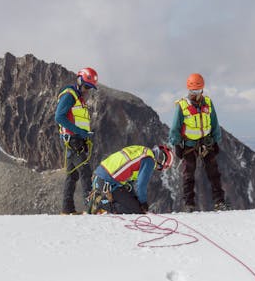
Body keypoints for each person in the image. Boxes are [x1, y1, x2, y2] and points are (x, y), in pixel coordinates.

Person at [168, 73, 227, 212]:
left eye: (198, 91)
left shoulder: (208, 103)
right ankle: (189, 205)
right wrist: (177, 144)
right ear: (189, 90)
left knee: (214, 173)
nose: (195, 94)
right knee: (188, 175)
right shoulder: (182, 106)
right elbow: (175, 127)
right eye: (193, 91)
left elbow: (214, 122)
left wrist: (216, 140)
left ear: (202, 89)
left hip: (207, 143)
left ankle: (220, 202)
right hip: (189, 145)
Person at [55, 67, 98, 215]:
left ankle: (67, 209)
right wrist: (79, 132)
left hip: (76, 140)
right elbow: (59, 117)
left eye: (90, 88)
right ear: (79, 81)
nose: (88, 90)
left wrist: (84, 136)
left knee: (72, 175)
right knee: (85, 171)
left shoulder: (79, 99)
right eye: (86, 86)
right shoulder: (70, 95)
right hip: (71, 140)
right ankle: (92, 207)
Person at [88, 144, 174, 214]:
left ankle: (103, 200)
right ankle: (102, 203)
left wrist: (136, 199)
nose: (159, 160)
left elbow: (129, 178)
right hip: (108, 182)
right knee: (136, 211)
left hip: (101, 176)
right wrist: (143, 203)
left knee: (134, 203)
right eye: (161, 158)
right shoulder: (149, 160)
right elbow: (141, 184)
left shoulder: (142, 150)